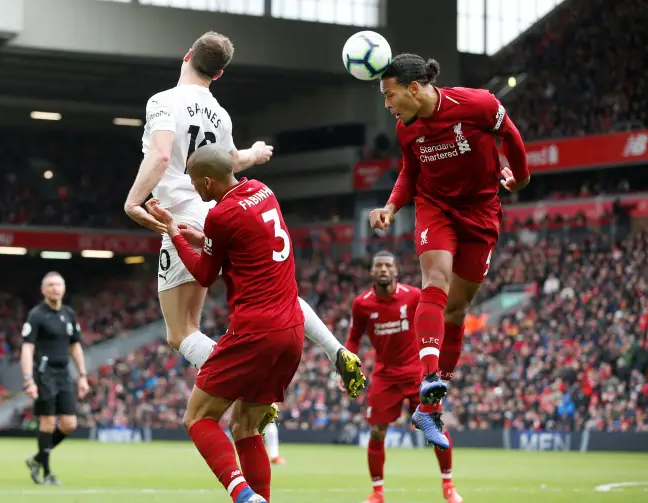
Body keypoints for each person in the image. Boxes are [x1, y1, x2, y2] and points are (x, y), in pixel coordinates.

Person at [123, 31, 364, 412]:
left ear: (187, 56)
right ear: (219, 75)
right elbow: (227, 163)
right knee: (277, 296)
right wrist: (252, 153)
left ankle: (245, 388)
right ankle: (337, 350)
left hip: (185, 216)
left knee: (181, 331)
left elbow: (160, 154)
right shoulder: (219, 113)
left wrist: (133, 201)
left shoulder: (163, 101)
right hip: (221, 212)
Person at [146, 144, 359, 503]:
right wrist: (205, 240)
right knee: (244, 426)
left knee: (197, 418)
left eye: (198, 185)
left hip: (255, 331)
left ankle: (243, 495)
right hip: (292, 330)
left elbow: (202, 274)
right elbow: (243, 244)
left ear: (209, 181)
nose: (197, 192)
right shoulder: (263, 191)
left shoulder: (221, 215)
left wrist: (172, 230)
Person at [369, 54, 529, 448]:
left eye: (390, 96)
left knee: (458, 308)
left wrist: (520, 177)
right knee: (435, 281)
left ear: (413, 89)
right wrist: (392, 206)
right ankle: (428, 378)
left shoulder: (478, 105)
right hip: (435, 207)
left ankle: (429, 411)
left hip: (482, 211)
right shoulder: (406, 129)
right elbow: (410, 170)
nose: (387, 105)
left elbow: (510, 134)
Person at [346, 252, 463, 503]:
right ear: (372, 272)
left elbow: (433, 322)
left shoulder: (414, 296)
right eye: (379, 266)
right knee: (377, 432)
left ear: (396, 271)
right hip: (384, 376)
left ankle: (448, 485)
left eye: (388, 265)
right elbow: (354, 338)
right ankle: (377, 492)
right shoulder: (361, 304)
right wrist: (346, 367)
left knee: (436, 426)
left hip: (416, 375)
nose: (384, 270)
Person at [21, 272, 90, 485]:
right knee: (48, 422)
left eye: (58, 284)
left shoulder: (69, 314)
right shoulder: (37, 315)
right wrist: (28, 379)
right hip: (44, 373)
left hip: (64, 374)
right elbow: (27, 348)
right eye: (50, 285)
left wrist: (82, 375)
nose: (55, 288)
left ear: (64, 288)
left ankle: (37, 459)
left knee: (69, 424)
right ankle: (47, 473)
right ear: (43, 290)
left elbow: (75, 346)